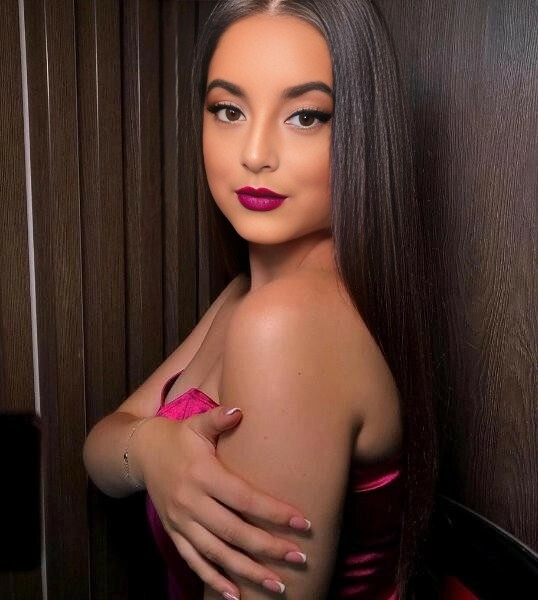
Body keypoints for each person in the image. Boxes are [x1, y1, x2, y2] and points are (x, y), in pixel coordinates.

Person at [83, 1, 437, 598]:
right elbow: (101, 445)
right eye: (229, 110)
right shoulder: (245, 297)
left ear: (361, 133)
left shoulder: (287, 322)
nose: (254, 153)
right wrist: (152, 451)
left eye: (304, 116)